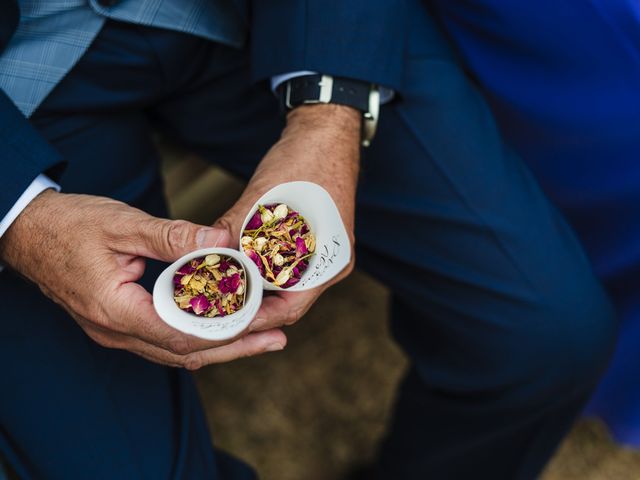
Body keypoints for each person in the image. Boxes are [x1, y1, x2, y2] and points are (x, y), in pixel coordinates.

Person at [0, 0, 627, 479]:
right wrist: (22, 217)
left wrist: (330, 112)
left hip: (272, 20)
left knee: (546, 330)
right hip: (15, 99)